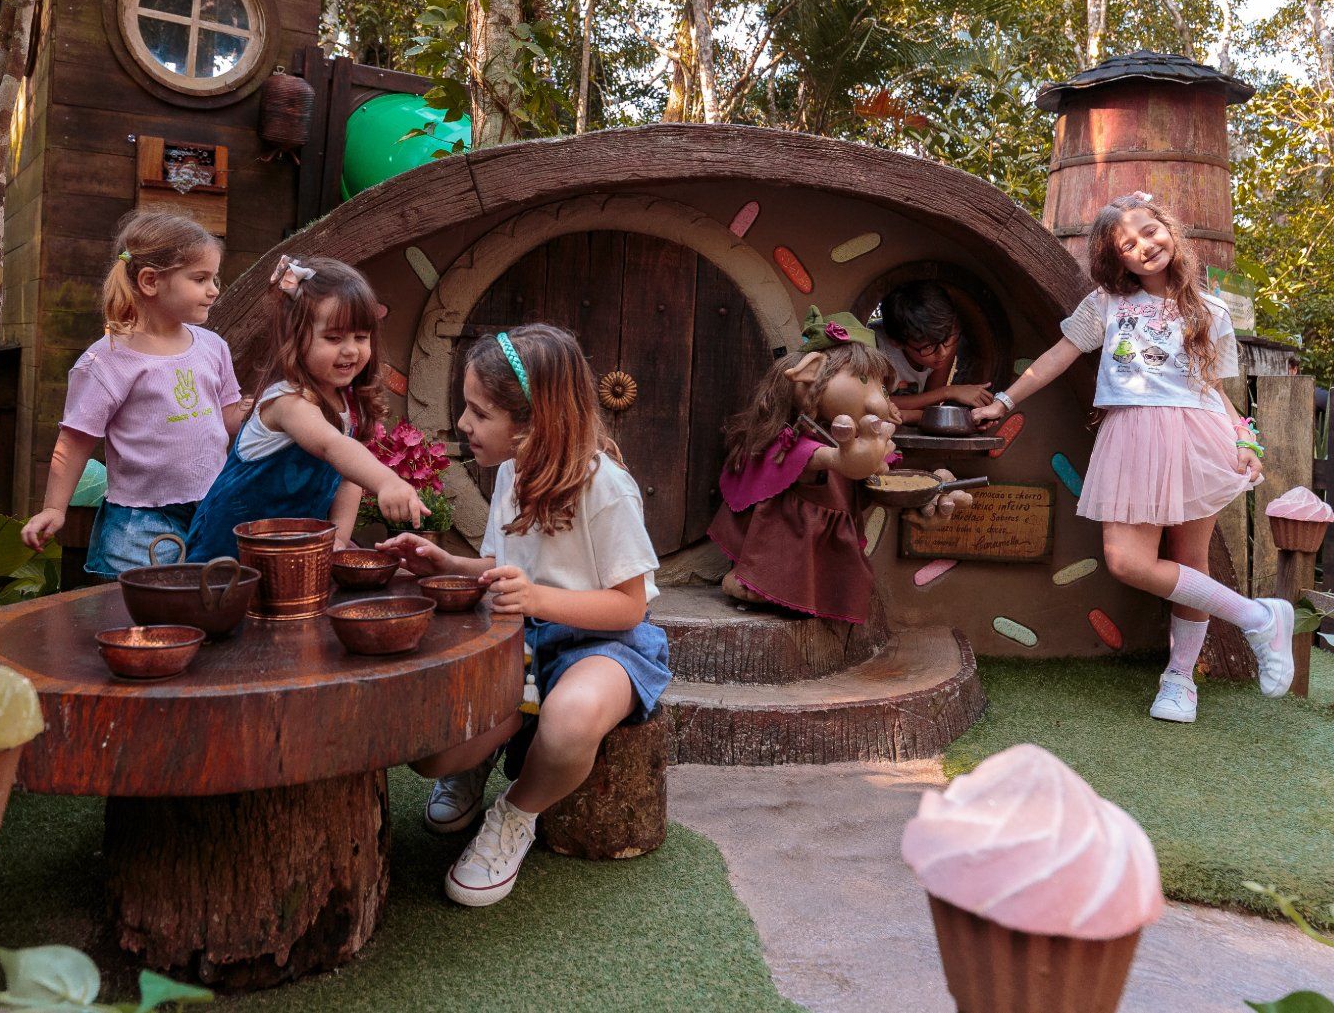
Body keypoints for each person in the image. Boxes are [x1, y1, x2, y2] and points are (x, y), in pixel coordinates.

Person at [378, 324, 668, 908]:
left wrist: (536, 600)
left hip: (603, 643)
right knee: (432, 753)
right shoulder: (512, 471)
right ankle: (478, 758)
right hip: (523, 639)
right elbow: (500, 564)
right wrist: (445, 564)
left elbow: (629, 605)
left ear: (533, 423)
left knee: (570, 719)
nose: (463, 424)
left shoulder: (605, 489)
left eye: (479, 413)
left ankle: (516, 812)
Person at [970, 191, 1287, 723]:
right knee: (1127, 562)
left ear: (1169, 229)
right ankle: (1258, 617)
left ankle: (1180, 680)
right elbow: (1056, 357)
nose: (1144, 246)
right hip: (1130, 437)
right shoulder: (1106, 306)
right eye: (1127, 244)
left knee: (1191, 562)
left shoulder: (1210, 310)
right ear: (1115, 259)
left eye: (1150, 231)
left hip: (1197, 435)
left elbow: (1214, 388)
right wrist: (1005, 400)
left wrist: (1245, 440)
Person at [21, 210, 244, 575]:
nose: (214, 290)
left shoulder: (213, 347)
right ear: (150, 281)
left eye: (214, 278)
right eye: (200, 278)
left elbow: (228, 419)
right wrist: (53, 509)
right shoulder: (106, 360)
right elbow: (75, 440)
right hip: (139, 521)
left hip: (211, 510)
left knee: (206, 607)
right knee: (130, 615)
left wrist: (266, 407)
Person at [184, 255, 426, 560]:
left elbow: (348, 477)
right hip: (224, 558)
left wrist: (338, 538)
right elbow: (331, 446)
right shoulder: (288, 402)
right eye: (334, 337)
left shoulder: (346, 405)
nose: (350, 349)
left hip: (286, 558)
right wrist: (387, 481)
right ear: (296, 338)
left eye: (361, 337)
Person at [709, 309, 900, 623]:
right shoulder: (799, 441)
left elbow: (878, 469)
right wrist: (858, 456)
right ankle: (755, 582)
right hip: (790, 533)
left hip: (827, 528)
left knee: (827, 567)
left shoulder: (841, 432)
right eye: (864, 379)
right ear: (813, 372)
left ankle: (818, 593)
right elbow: (841, 461)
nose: (878, 400)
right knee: (783, 555)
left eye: (881, 387)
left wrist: (928, 487)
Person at [876, 280, 993, 421]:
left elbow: (930, 406)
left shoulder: (943, 338)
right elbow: (876, 402)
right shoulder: (877, 348)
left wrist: (911, 415)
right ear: (897, 342)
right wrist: (949, 392)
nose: (943, 353)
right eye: (928, 347)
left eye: (947, 340)